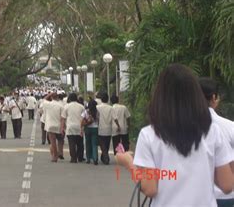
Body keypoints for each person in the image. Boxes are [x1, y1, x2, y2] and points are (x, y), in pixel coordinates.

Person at [116, 64, 233, 206]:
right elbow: (227, 185)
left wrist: (128, 163)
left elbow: (150, 188)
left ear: (160, 96)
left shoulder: (149, 135)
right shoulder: (212, 132)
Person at [199, 77, 234, 207]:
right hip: (228, 196)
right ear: (214, 98)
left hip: (200, 196)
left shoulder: (184, 129)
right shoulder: (229, 126)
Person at [61, 92, 85, 163]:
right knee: (80, 143)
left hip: (70, 127)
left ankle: (73, 158)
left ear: (70, 98)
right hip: (79, 126)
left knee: (72, 143)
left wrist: (62, 128)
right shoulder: (81, 106)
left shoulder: (66, 106)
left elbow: (63, 118)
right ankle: (80, 157)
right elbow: (84, 118)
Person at [45, 92, 64, 162]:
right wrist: (63, 127)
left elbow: (43, 100)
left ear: (51, 98)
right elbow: (62, 117)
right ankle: (60, 152)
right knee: (60, 140)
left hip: (50, 126)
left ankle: (54, 156)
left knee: (53, 142)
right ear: (58, 98)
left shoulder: (48, 104)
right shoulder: (61, 105)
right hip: (58, 125)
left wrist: (49, 95)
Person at [96, 92, 113, 165]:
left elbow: (96, 117)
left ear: (101, 99)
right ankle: (105, 157)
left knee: (102, 144)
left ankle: (105, 157)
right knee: (107, 144)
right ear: (108, 99)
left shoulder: (98, 107)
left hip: (100, 128)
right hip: (109, 128)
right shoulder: (111, 108)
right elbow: (114, 118)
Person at [82, 99, 99, 165]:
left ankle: (88, 158)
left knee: (88, 144)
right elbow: (98, 120)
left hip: (88, 129)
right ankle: (95, 158)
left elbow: (82, 120)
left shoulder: (86, 112)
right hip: (95, 128)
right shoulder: (97, 112)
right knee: (94, 144)